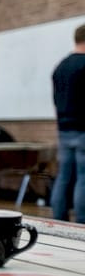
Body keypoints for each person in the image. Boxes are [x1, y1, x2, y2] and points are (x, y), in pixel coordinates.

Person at [50, 25, 85, 221]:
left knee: (63, 177)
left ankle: (58, 217)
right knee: (83, 178)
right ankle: (82, 222)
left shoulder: (60, 66)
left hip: (64, 130)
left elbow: (56, 99)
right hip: (82, 130)